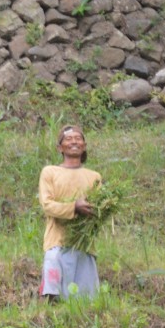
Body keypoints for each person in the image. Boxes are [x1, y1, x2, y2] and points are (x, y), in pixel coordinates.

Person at [38, 124, 102, 300]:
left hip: (84, 245)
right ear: (60, 147)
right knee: (53, 294)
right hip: (56, 241)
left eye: (78, 138)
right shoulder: (50, 172)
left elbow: (99, 209)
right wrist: (74, 207)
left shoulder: (94, 177)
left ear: (84, 146)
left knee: (87, 299)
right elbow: (47, 205)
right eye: (68, 139)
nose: (74, 142)